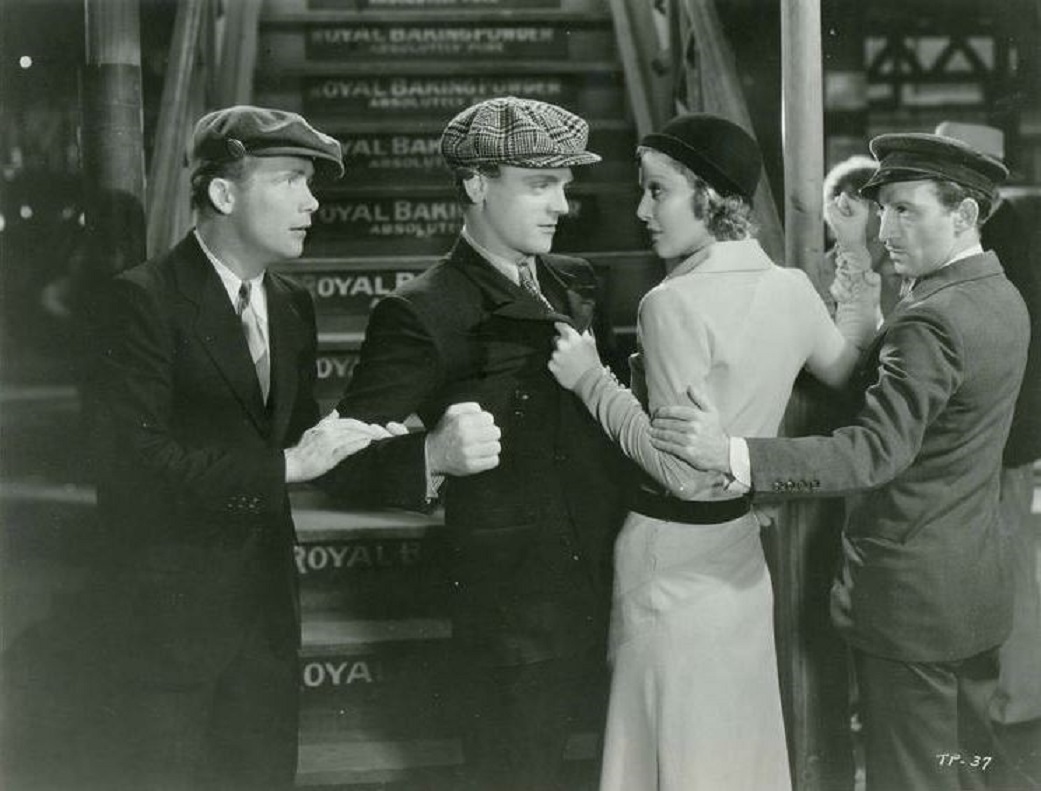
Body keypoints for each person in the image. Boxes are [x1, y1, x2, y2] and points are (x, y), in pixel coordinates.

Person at [649, 132, 1029, 791]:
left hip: (911, 604)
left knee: (912, 775)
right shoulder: (996, 295)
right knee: (970, 764)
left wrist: (732, 453)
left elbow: (872, 451)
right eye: (883, 208)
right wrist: (866, 295)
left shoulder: (932, 318)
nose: (886, 228)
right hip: (971, 591)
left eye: (906, 210)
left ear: (963, 215)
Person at [546, 112, 879, 791]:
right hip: (738, 561)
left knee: (665, 755)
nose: (642, 209)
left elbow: (678, 470)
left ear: (711, 197)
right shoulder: (787, 287)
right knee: (733, 757)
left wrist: (592, 380)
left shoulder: (669, 305)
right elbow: (847, 373)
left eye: (657, 190)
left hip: (668, 559)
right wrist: (857, 294)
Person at [71, 106, 398, 791]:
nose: (311, 202)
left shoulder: (291, 305)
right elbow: (133, 467)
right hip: (167, 631)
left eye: (311, 183)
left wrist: (429, 461)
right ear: (223, 193)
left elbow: (307, 444)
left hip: (264, 625)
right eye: (290, 179)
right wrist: (285, 466)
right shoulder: (140, 301)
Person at [323, 96, 629, 790]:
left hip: (612, 585)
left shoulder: (575, 281)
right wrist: (429, 455)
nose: (562, 204)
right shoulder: (421, 310)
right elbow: (339, 459)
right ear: (474, 184)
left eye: (564, 183)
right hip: (515, 617)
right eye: (538, 184)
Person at [935, 120, 1041, 787]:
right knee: (1011, 560)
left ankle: (1014, 697)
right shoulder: (1013, 222)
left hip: (1002, 431)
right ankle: (1015, 696)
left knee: (1003, 564)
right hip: (1014, 430)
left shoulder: (994, 231)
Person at [809, 154, 903, 318]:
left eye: (864, 202)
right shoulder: (818, 271)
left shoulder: (907, 268)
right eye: (840, 202)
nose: (848, 211)